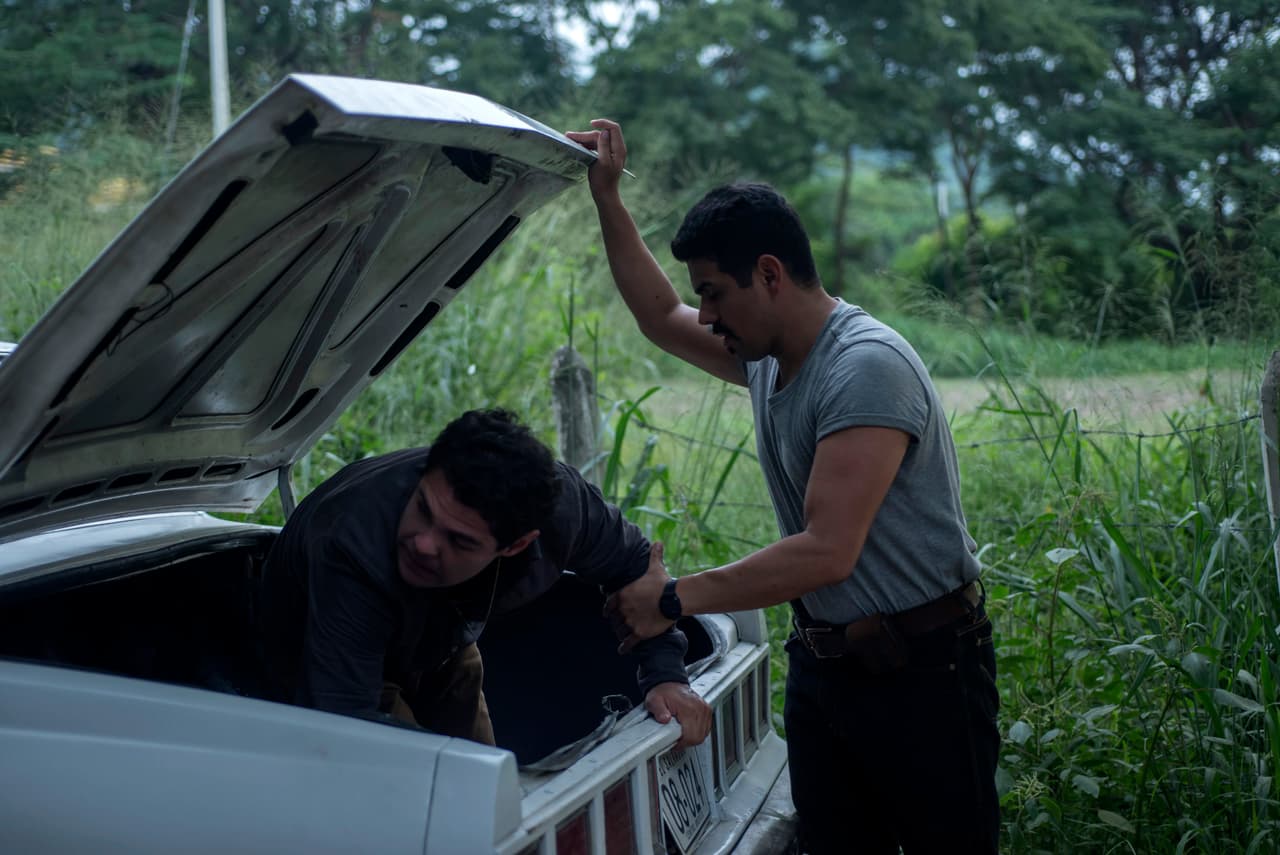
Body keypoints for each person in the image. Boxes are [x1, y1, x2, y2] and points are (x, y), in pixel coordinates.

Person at [565, 120, 999, 853]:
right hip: (826, 668)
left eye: (714, 292)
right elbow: (658, 316)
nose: (704, 313)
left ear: (769, 274)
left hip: (923, 672)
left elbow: (828, 551)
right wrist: (607, 196)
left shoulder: (863, 365)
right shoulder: (765, 355)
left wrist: (673, 597)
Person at [257, 407, 711, 748]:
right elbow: (346, 726)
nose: (423, 543)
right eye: (422, 508)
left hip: (445, 641)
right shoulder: (351, 545)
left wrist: (665, 676)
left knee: (485, 780)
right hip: (332, 662)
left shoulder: (566, 509)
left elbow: (640, 572)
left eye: (459, 540)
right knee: (428, 794)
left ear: (516, 545)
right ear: (424, 473)